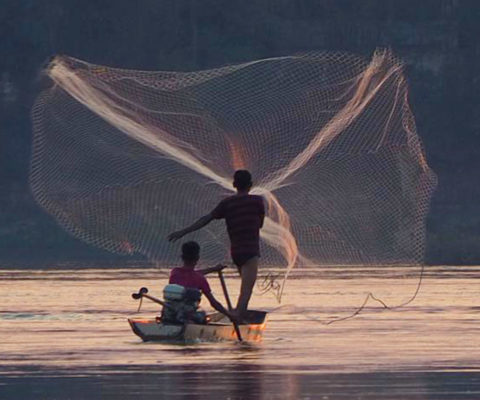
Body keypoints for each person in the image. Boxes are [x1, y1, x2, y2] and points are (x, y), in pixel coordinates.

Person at [168, 170, 265, 319]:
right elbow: (260, 224)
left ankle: (236, 315)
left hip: (236, 253)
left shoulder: (227, 203)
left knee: (244, 289)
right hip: (251, 252)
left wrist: (183, 232)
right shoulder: (257, 201)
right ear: (251, 185)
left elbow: (206, 219)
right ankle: (237, 320)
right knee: (246, 292)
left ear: (234, 184)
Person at [169, 241, 232, 319]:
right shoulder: (200, 278)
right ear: (197, 258)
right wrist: (230, 315)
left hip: (171, 315)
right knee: (203, 315)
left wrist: (213, 269)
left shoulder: (174, 272)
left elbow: (191, 273)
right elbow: (214, 304)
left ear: (182, 257)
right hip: (188, 317)